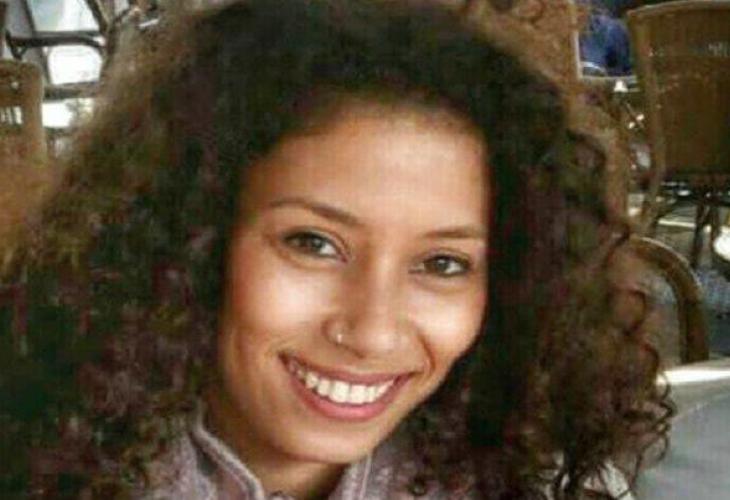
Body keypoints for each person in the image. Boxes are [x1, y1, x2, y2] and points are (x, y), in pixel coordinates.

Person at [0, 0, 670, 497]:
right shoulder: (35, 461)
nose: (371, 332)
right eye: (314, 244)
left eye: (442, 264)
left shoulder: (537, 478)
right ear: (190, 239)